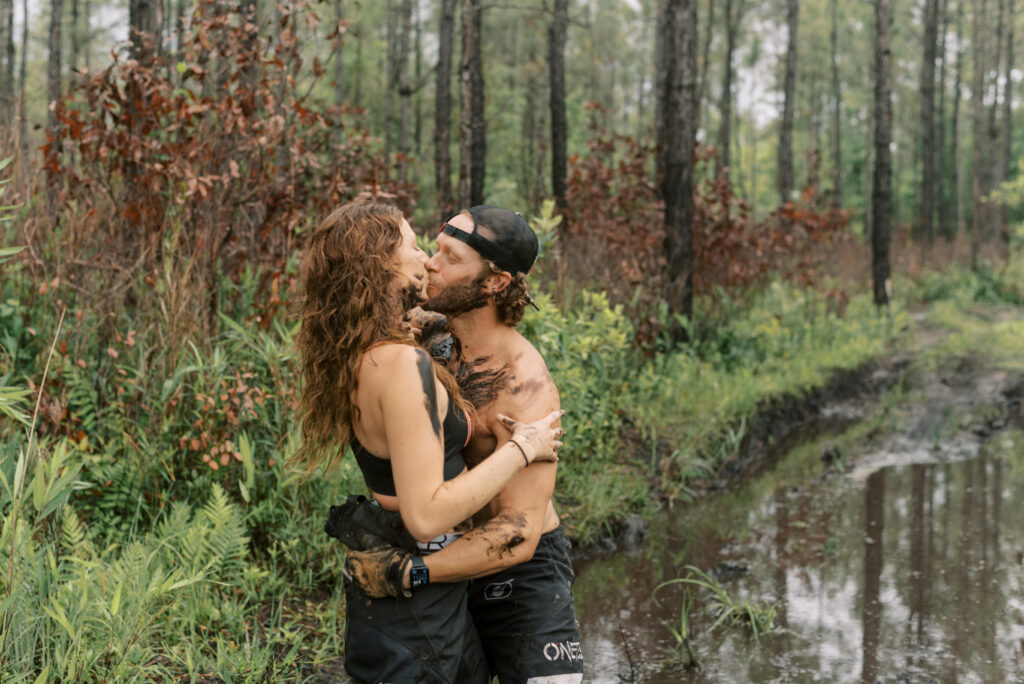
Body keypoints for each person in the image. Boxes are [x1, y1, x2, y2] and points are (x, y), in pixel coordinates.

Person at [291, 201, 566, 684]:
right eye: (427, 248)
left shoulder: (524, 382)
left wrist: (412, 573)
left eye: (450, 258)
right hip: (438, 557)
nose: (431, 262)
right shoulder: (417, 338)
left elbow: (519, 533)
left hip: (513, 572)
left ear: (496, 282)